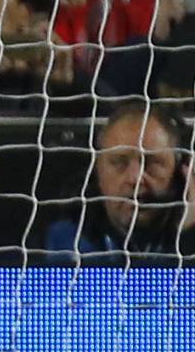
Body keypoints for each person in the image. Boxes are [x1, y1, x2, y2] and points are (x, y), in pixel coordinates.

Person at [46, 103, 191, 264]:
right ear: (97, 173)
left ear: (181, 172)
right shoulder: (66, 238)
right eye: (119, 163)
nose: (135, 178)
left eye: (152, 162)